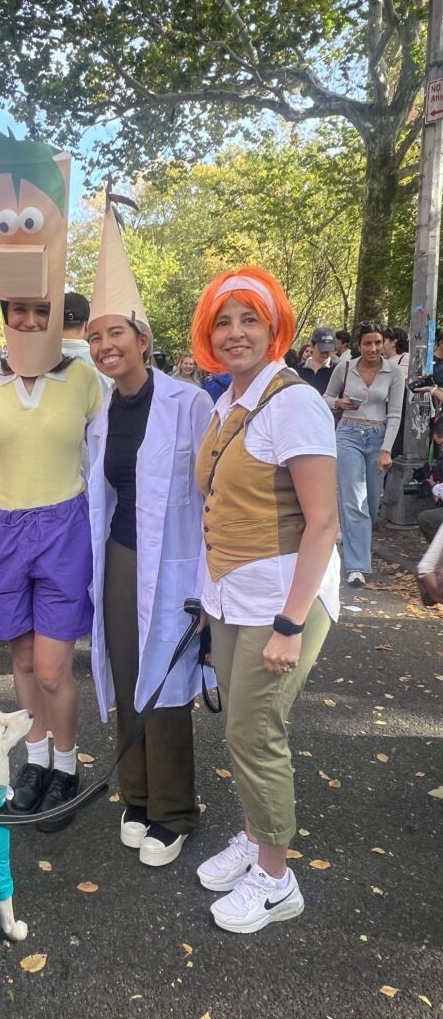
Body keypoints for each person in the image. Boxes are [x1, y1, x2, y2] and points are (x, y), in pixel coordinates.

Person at [0, 131, 103, 830]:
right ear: (7, 316)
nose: (31, 320)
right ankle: (35, 757)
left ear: (54, 316)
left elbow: (119, 449)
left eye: (41, 311)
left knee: (50, 669)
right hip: (6, 529)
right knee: (16, 657)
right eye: (20, 312)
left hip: (65, 527)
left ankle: (65, 764)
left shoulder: (86, 379)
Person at [191, 266, 340, 934]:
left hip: (282, 602)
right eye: (223, 321)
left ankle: (277, 881)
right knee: (239, 731)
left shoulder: (295, 402)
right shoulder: (230, 401)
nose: (235, 332)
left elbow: (325, 523)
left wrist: (290, 623)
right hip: (232, 597)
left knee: (256, 734)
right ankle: (254, 841)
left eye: (249, 318)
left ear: (274, 324)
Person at [85, 199, 213, 867]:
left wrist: (205, 583)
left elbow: (213, 494)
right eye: (94, 338)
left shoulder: (189, 403)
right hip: (122, 556)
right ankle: (134, 798)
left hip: (177, 565)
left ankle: (173, 811)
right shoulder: (102, 409)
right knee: (125, 671)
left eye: (115, 334)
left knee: (167, 682)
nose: (105, 346)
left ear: (142, 337)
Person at [324, 321, 405, 587]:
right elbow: (325, 397)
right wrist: (338, 402)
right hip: (348, 433)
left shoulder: (393, 372)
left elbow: (395, 414)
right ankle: (356, 566)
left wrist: (386, 450)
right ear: (358, 345)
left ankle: (351, 540)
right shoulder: (344, 367)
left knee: (370, 504)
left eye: (378, 343)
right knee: (354, 501)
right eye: (368, 343)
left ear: (384, 344)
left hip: (378, 435)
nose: (373, 348)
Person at [295, 326, 335, 395]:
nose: (325, 353)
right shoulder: (298, 370)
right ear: (312, 345)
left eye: (328, 349)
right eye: (322, 348)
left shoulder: (337, 370)